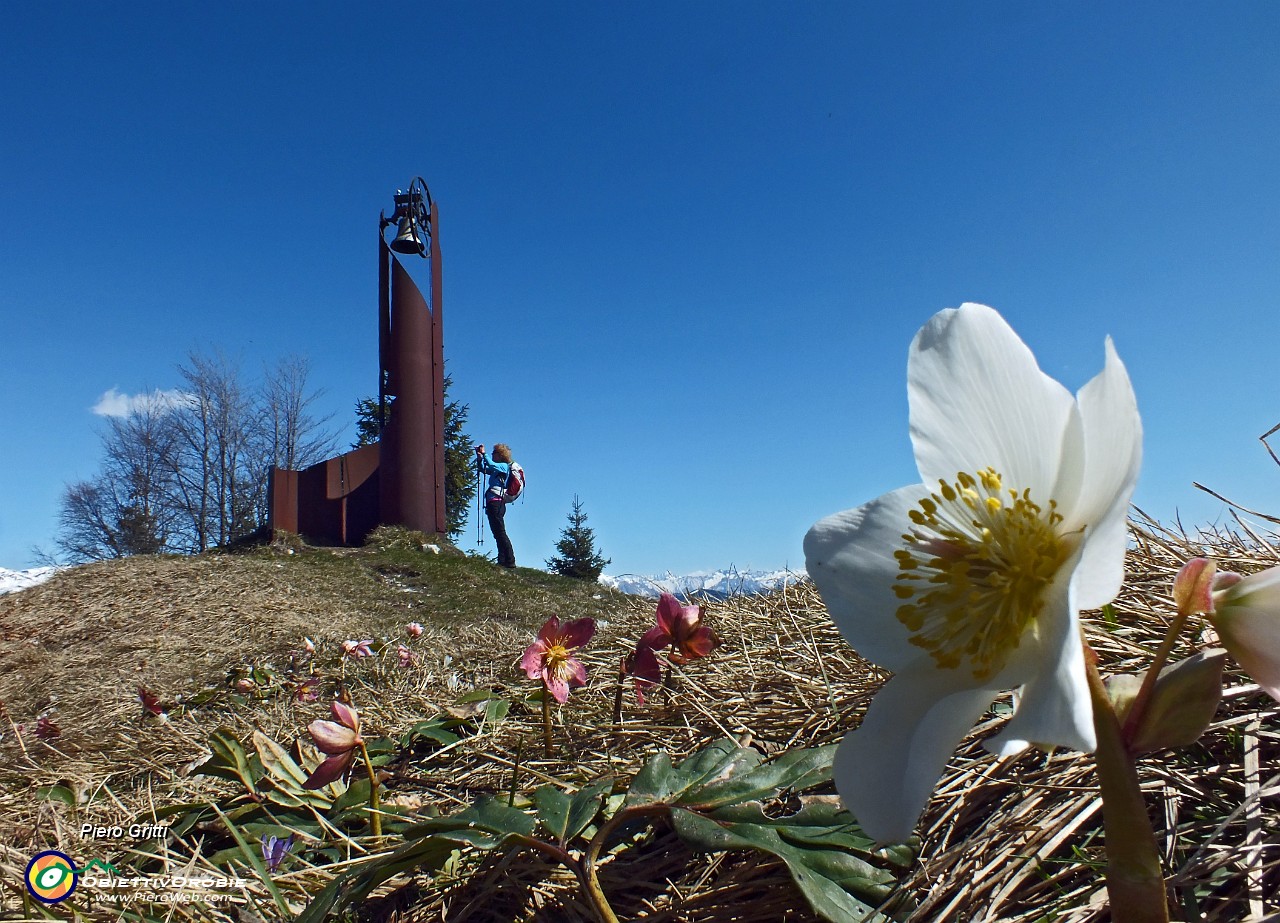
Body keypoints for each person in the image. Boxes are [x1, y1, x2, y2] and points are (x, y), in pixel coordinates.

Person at [475, 443, 516, 568]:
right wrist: (479, 458)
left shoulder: (503, 467)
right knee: (497, 532)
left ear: (500, 455)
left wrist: (484, 454)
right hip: (493, 502)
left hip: (497, 502)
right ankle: (503, 560)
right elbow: (484, 469)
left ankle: (510, 560)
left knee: (500, 531)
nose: (492, 455)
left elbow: (491, 465)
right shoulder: (497, 470)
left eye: (494, 453)